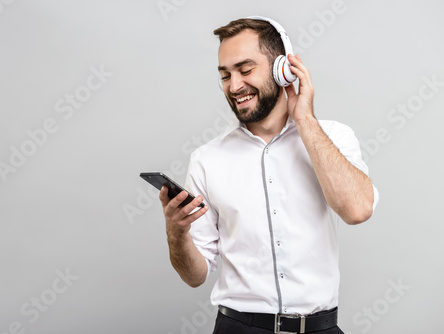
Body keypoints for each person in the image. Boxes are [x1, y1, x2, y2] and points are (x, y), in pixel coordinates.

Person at [159, 17, 379, 334]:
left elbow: (358, 210)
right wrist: (176, 234)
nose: (234, 86)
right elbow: (195, 275)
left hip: (319, 328)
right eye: (225, 75)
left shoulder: (334, 137)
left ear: (282, 68)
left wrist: (305, 119)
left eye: (245, 70)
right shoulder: (207, 160)